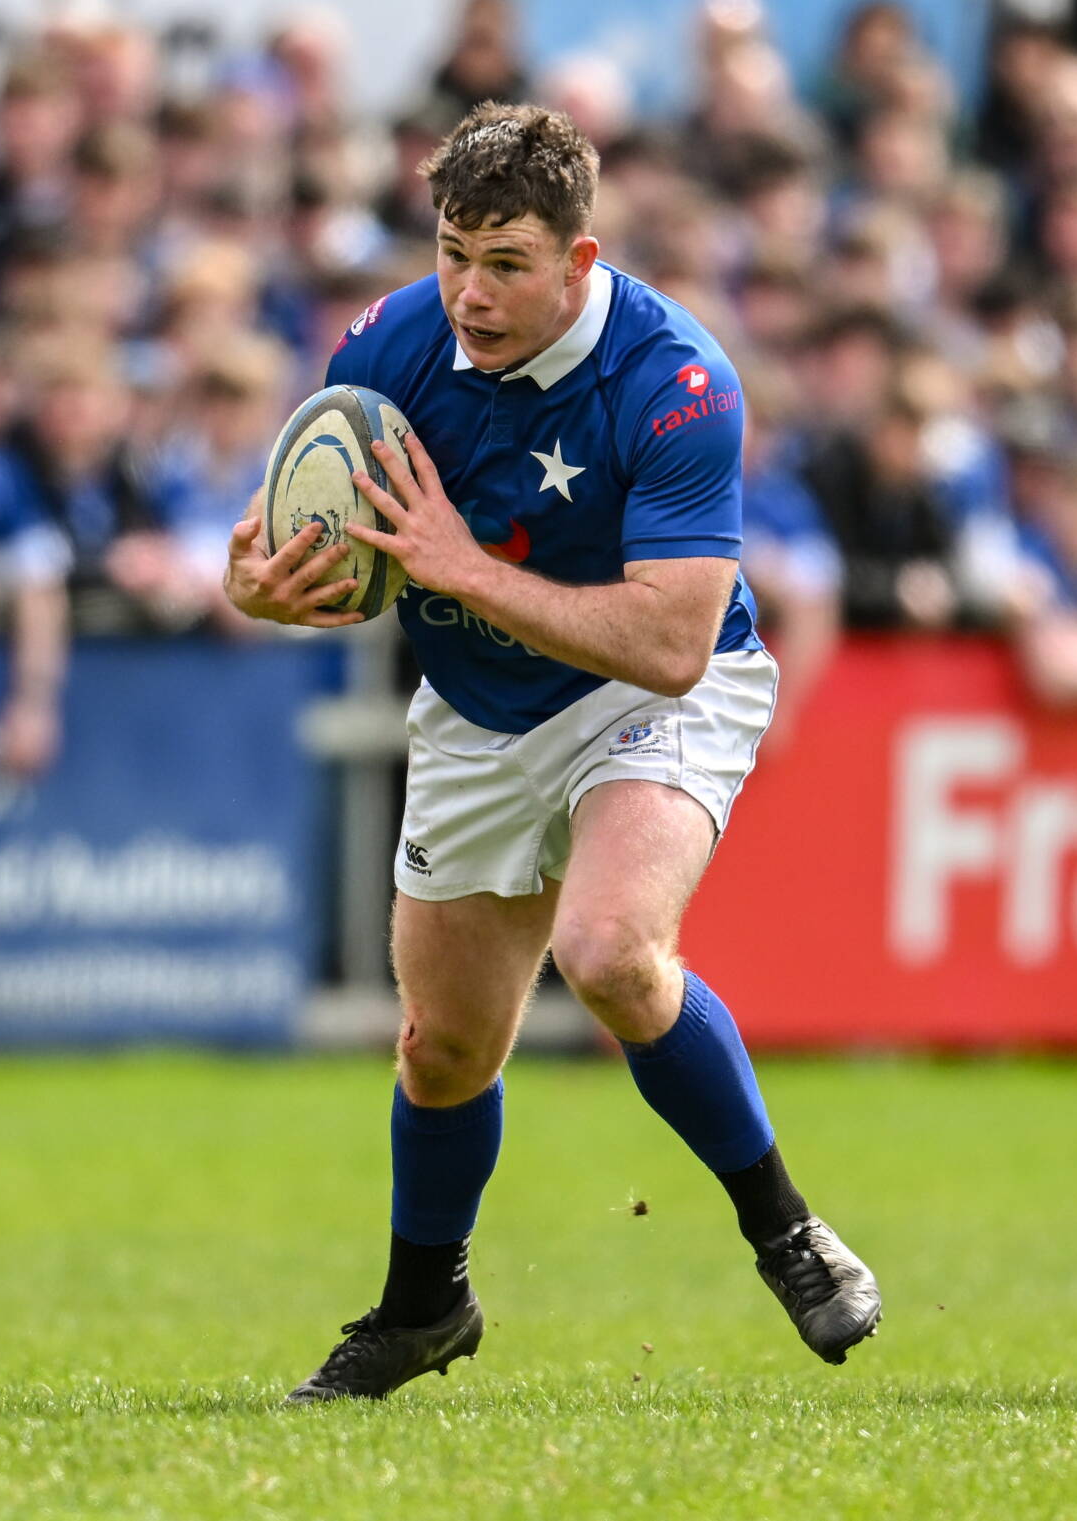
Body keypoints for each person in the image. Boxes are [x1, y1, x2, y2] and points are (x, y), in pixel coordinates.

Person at [224, 103, 882, 1402]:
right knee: (442, 1047)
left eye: (506, 262)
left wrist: (461, 566)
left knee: (613, 953)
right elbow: (280, 538)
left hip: (648, 692)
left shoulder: (675, 380)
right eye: (452, 251)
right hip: (477, 707)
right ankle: (426, 1307)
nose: (469, 291)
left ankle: (785, 1227)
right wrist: (259, 580)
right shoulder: (390, 345)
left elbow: (675, 639)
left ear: (580, 261)